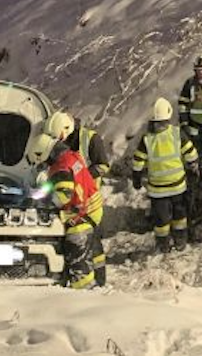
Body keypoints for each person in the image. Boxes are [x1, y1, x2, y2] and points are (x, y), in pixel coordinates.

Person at [26, 131, 103, 290]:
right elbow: (67, 182)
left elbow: (64, 195)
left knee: (76, 252)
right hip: (92, 207)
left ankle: (83, 289)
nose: (44, 165)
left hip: (81, 213)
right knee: (93, 249)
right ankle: (100, 280)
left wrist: (44, 202)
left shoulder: (60, 168)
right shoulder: (71, 156)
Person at [44, 110, 111, 284]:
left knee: (90, 242)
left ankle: (97, 279)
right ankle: (93, 279)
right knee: (85, 243)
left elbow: (103, 166)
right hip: (75, 202)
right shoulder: (62, 144)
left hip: (88, 201)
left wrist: (80, 175)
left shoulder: (91, 138)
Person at [131, 96, 199, 251]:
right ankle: (180, 241)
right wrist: (193, 169)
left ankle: (163, 245)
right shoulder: (177, 133)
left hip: (158, 191)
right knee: (179, 216)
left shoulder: (147, 139)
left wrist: (136, 178)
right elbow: (191, 154)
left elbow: (138, 161)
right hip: (178, 186)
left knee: (161, 221)